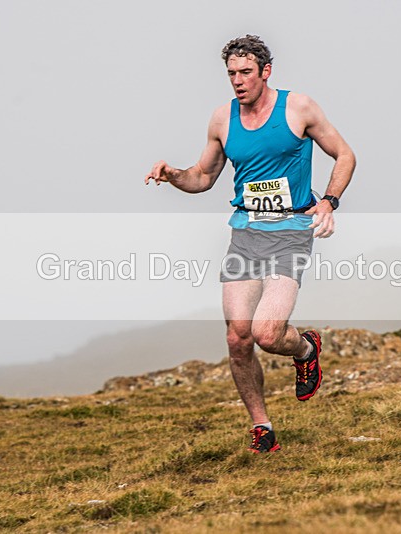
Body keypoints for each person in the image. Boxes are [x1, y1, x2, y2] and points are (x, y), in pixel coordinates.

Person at [145, 35, 356, 453]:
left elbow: (345, 155)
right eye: (231, 75)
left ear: (265, 72)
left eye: (245, 73)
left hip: (291, 231)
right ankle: (262, 426)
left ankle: (305, 348)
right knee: (237, 337)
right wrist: (173, 175)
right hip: (245, 233)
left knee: (266, 332)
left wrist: (329, 202)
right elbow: (203, 177)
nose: (238, 82)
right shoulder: (222, 119)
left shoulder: (298, 108)